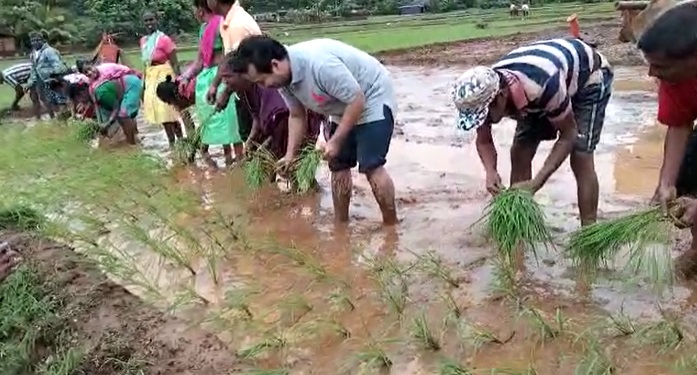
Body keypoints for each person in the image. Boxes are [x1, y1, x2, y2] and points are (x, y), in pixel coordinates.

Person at [229, 36, 398, 225]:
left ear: (275, 65)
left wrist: (335, 141)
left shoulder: (320, 65)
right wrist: (290, 155)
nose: (264, 87)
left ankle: (391, 227)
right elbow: (296, 115)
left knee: (371, 165)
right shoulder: (283, 80)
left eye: (262, 81)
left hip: (372, 97)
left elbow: (357, 100)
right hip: (342, 105)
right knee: (338, 165)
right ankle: (341, 224)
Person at [452, 39, 613, 226]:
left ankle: (589, 233)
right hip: (540, 83)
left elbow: (568, 134)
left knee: (580, 154)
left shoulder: (543, 85)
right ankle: (519, 223)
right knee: (520, 150)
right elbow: (484, 141)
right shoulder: (484, 93)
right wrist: (490, 171)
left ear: (501, 97)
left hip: (589, 77)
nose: (484, 120)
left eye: (484, 115)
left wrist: (537, 182)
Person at [636, 1, 697, 278]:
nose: (652, 74)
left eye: (660, 66)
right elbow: (679, 122)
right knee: (689, 170)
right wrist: (666, 182)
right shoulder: (676, 79)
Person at [219, 66, 325, 182]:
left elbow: (280, 119)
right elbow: (257, 117)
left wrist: (265, 146)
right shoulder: (246, 91)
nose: (225, 83)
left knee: (296, 167)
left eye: (228, 78)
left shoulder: (265, 86)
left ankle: (305, 193)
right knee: (280, 165)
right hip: (286, 120)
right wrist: (251, 140)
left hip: (298, 118)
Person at [178, 0, 241, 167]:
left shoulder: (221, 23)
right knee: (216, 124)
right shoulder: (203, 29)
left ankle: (239, 160)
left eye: (193, 9)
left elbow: (229, 55)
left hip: (221, 77)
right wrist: (186, 77)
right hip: (206, 81)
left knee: (231, 123)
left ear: (200, 9)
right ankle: (228, 159)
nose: (193, 13)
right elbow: (200, 61)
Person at [206, 0, 261, 144]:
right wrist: (215, 84)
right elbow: (228, 58)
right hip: (244, 89)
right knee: (248, 134)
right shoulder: (228, 21)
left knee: (253, 136)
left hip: (254, 89)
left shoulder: (238, 25)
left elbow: (240, 67)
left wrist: (225, 93)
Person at [140, 10, 184, 147]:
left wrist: (178, 82)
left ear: (156, 21)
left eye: (151, 19)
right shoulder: (143, 41)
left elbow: (175, 63)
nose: (149, 23)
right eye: (146, 20)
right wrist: (144, 82)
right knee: (160, 113)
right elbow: (145, 63)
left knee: (169, 110)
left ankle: (181, 141)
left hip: (164, 75)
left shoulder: (164, 39)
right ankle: (172, 142)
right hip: (151, 76)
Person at [87, 63, 143, 144]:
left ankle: (132, 144)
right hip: (125, 84)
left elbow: (116, 107)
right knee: (126, 113)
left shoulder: (101, 93)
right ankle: (134, 136)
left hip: (131, 85)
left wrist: (107, 123)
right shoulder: (93, 87)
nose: (89, 73)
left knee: (124, 115)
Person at [26, 32, 69, 119]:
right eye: (33, 41)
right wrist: (30, 82)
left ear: (42, 40)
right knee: (45, 99)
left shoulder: (49, 51)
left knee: (59, 99)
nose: (35, 42)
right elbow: (34, 69)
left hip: (53, 79)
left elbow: (58, 65)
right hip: (41, 80)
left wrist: (53, 76)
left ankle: (64, 119)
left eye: (37, 40)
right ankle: (53, 117)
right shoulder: (33, 54)